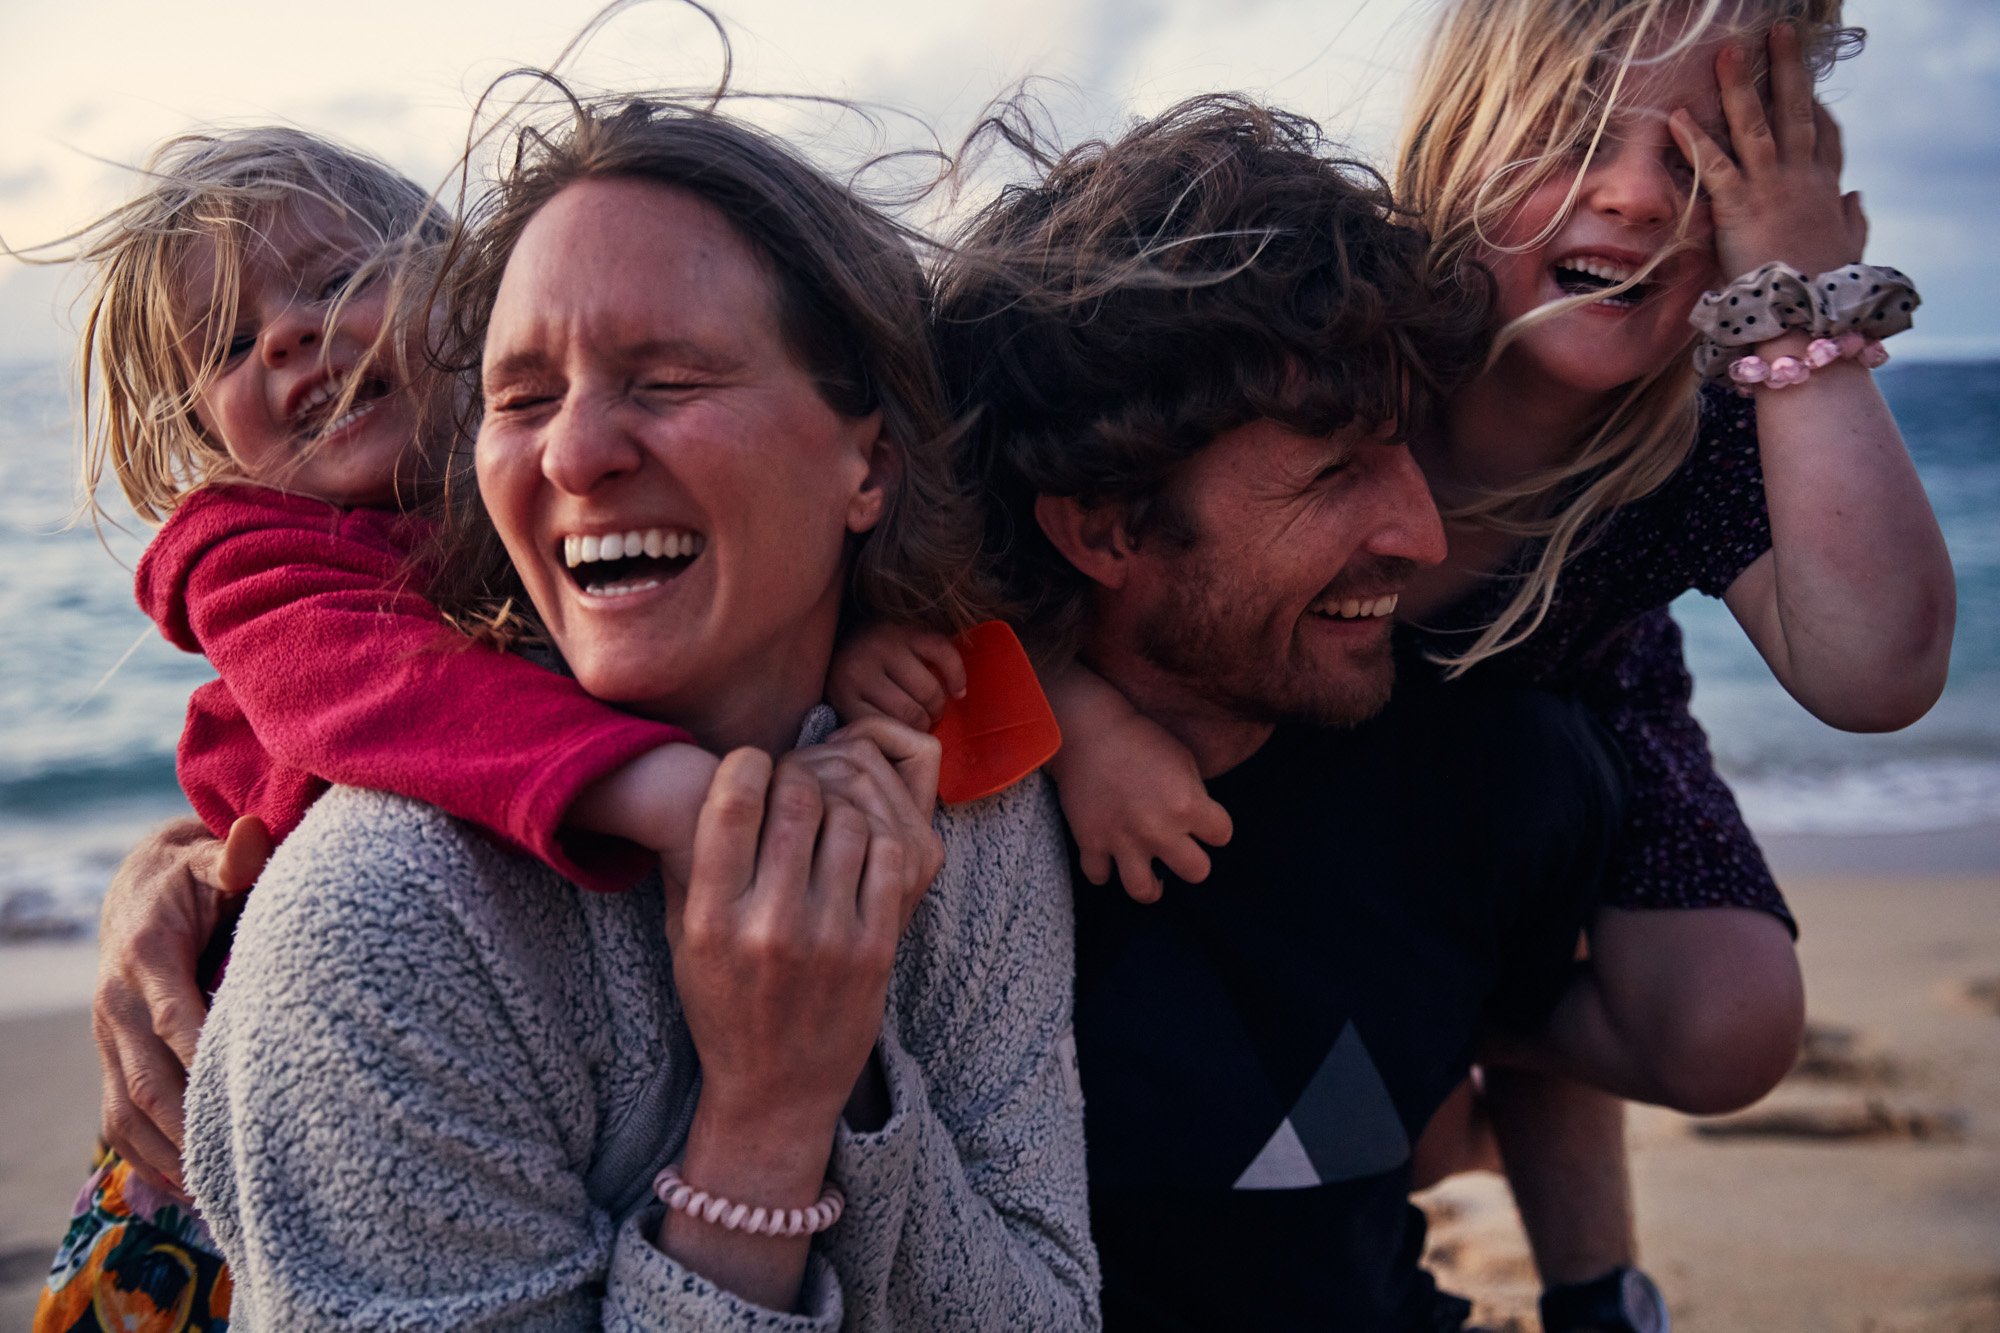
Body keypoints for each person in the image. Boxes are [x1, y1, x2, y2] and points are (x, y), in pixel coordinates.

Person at [58, 96, 1099, 1331]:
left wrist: (1041, 699)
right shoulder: (260, 565)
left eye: (337, 278)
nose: (291, 339)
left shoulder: (948, 806)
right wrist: (716, 835)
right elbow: (407, 699)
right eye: (227, 347)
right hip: (205, 1190)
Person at [926, 92, 1624, 1330]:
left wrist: (1601, 1298)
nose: (1416, 533)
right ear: (1101, 526)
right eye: (1329, 473)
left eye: (1402, 447)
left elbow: (1510, 1057)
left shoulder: (1507, 778)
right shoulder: (924, 831)